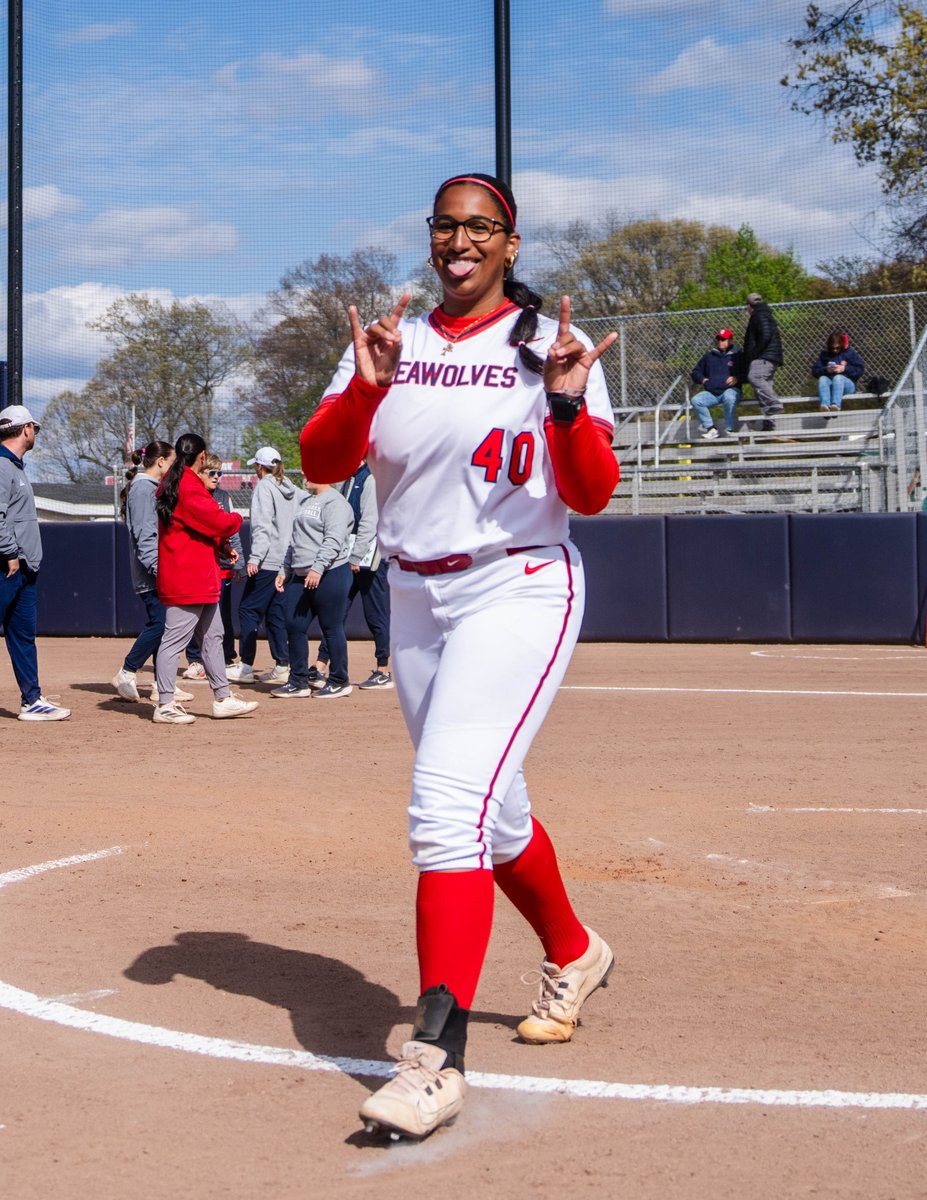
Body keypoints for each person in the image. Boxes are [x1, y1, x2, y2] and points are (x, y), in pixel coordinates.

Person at [300, 172, 619, 1141]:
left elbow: (594, 492)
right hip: (414, 595)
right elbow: (321, 462)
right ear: (431, 238)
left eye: (481, 227)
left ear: (511, 244)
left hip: (517, 584)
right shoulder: (396, 342)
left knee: (446, 807)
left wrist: (565, 405)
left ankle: (435, 1058)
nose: (461, 241)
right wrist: (366, 383)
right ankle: (575, 947)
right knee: (495, 808)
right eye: (446, 225)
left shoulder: (549, 348)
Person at [153, 432, 258, 725]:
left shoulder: (177, 482)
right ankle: (164, 703)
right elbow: (219, 521)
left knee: (213, 637)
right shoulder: (188, 484)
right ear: (201, 457)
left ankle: (223, 698)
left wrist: (222, 545)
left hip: (196, 575)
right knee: (174, 640)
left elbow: (194, 527)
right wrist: (236, 519)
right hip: (189, 578)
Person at [0, 404, 71, 721]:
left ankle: (32, 700)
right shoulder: (2, 466)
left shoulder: (16, 468)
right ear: (25, 428)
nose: (36, 433)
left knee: (23, 637)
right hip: (8, 565)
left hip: (24, 567)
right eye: (35, 428)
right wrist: (9, 552)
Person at [112, 441, 194, 706]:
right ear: (160, 462)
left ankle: (162, 684)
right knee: (161, 623)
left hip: (157, 570)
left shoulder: (149, 488)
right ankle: (127, 671)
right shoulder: (143, 489)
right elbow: (145, 536)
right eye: (171, 462)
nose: (173, 468)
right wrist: (160, 570)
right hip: (152, 573)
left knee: (166, 625)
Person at [271, 478, 354, 700]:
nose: (304, 475)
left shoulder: (336, 503)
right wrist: (283, 569)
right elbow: (294, 541)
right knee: (293, 624)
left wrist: (318, 568)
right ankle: (298, 680)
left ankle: (339, 680)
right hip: (300, 574)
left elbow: (334, 539)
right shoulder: (306, 501)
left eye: (311, 471)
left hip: (330, 573)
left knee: (331, 627)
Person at [316, 458, 393, 690]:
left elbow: (370, 521)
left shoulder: (369, 477)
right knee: (336, 613)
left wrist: (357, 556)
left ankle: (383, 670)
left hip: (368, 558)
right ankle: (320, 666)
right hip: (348, 557)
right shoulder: (347, 479)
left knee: (375, 613)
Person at [227, 447, 295, 685]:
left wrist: (255, 557)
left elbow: (262, 527)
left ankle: (245, 666)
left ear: (259, 467)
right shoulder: (291, 486)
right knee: (275, 612)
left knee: (248, 609)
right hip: (286, 561)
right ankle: (282, 665)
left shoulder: (265, 487)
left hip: (267, 560)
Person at [189, 453, 245, 669]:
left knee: (222, 616)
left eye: (219, 472)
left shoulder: (223, 497)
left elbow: (233, 531)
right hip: (200, 566)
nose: (216, 476)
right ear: (200, 473)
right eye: (211, 472)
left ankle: (227, 656)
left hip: (222, 567)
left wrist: (238, 562)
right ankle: (195, 659)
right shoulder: (193, 495)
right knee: (196, 615)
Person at [690, 329, 743, 439]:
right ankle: (711, 428)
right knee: (696, 400)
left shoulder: (738, 355)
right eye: (718, 339)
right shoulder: (709, 356)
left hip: (731, 390)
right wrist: (703, 379)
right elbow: (696, 372)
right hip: (712, 393)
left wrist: (737, 378)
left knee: (729, 396)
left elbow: (748, 372)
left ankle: (730, 429)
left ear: (731, 340)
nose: (720, 341)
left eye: (723, 339)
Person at [743, 291, 784, 426]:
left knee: (755, 377)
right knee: (762, 388)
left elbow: (765, 335)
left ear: (750, 306)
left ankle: (774, 403)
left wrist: (755, 353)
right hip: (768, 355)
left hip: (764, 356)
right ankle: (769, 421)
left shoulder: (759, 315)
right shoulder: (765, 313)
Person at [812, 329, 864, 416]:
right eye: (832, 348)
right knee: (822, 379)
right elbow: (815, 371)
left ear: (842, 345)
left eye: (837, 348)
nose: (835, 350)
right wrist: (826, 369)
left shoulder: (850, 353)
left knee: (838, 378)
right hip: (830, 385)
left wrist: (844, 369)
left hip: (847, 385)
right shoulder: (824, 355)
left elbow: (859, 370)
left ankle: (836, 406)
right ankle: (825, 406)